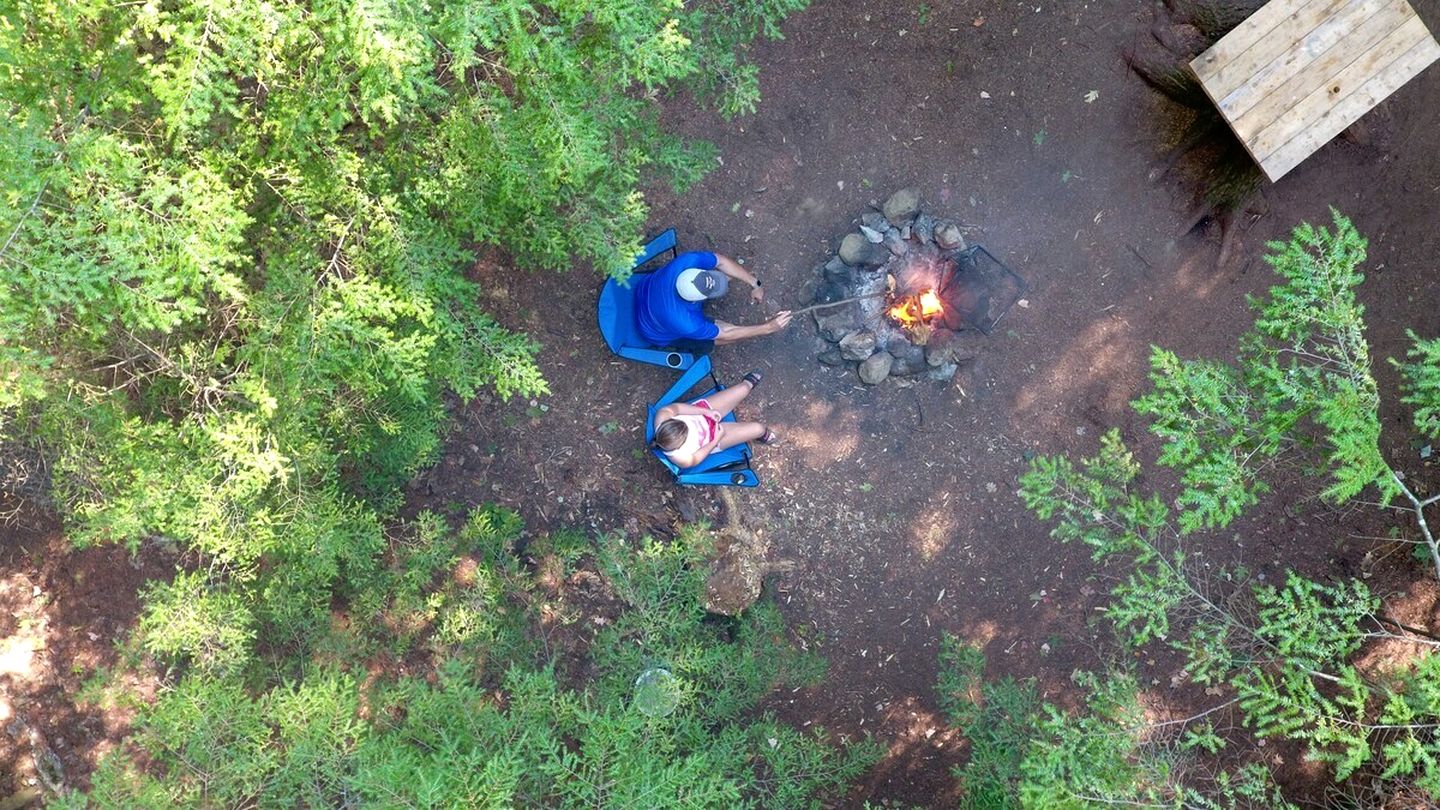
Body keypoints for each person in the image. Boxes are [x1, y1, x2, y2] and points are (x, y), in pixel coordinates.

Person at [634, 250, 792, 355]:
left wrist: (755, 284)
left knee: (725, 275)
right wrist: (768, 328)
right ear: (697, 300)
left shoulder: (687, 262)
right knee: (727, 336)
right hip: (654, 330)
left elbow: (721, 261)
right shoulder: (686, 323)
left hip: (645, 289)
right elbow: (726, 334)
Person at [651, 370, 777, 469]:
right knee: (759, 428)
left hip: (702, 413)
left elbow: (677, 408)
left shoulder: (662, 417)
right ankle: (762, 435)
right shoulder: (680, 458)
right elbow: (696, 459)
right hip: (712, 437)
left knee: (744, 389)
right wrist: (717, 437)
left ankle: (747, 383)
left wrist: (706, 412)